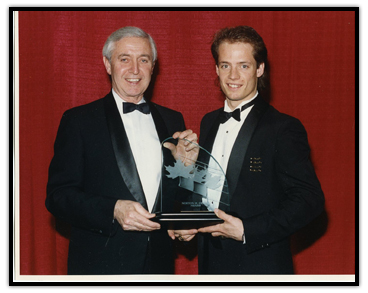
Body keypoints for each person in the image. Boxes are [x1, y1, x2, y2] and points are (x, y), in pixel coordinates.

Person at [168, 26, 325, 274]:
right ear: (216, 69)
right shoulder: (209, 122)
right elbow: (213, 190)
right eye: (225, 65)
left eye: (244, 65)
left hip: (259, 265)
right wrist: (186, 210)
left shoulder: (283, 128)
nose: (233, 75)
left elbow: (310, 201)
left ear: (259, 69)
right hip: (210, 265)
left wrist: (246, 230)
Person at [46, 26, 198, 275]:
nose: (135, 70)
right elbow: (58, 197)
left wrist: (187, 171)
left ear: (153, 66)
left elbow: (175, 194)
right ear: (108, 64)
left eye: (144, 60)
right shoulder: (79, 120)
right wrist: (113, 209)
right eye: (124, 59)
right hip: (100, 266)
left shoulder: (173, 120)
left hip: (159, 266)